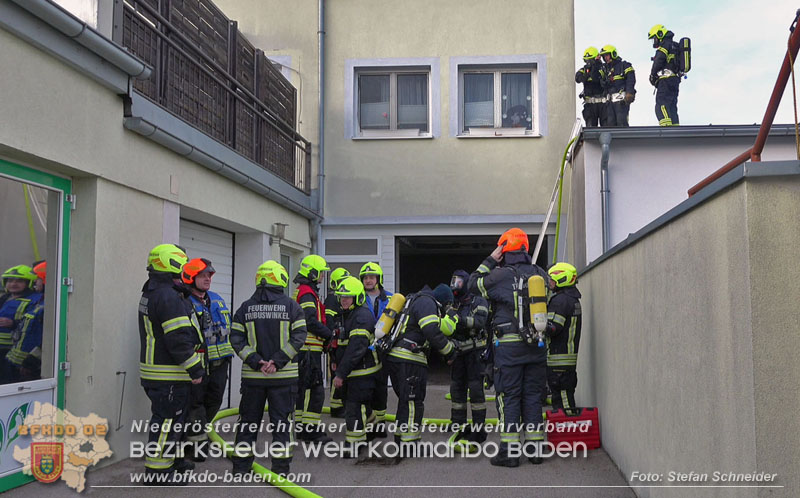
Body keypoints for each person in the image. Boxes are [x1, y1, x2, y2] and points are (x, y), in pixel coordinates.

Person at [468, 228, 549, 467]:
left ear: (504, 249)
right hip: (537, 345)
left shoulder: (499, 276)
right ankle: (535, 450)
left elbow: (473, 284)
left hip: (509, 348)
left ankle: (510, 452)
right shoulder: (540, 274)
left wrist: (490, 260)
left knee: (509, 396)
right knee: (533, 397)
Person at [230, 260, 306, 476]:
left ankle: (240, 468)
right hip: (283, 378)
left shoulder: (245, 307)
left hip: (253, 378)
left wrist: (255, 361)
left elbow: (235, 338)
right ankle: (281, 470)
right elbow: (299, 337)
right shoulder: (292, 307)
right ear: (280, 279)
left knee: (248, 423)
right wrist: (278, 361)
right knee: (282, 424)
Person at [138, 244, 205, 482]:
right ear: (172, 264)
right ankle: (158, 471)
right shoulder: (168, 296)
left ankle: (172, 459)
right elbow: (177, 338)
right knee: (167, 421)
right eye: (182, 263)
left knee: (175, 419)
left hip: (158, 372)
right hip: (168, 373)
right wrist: (195, 368)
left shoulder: (154, 291)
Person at [384, 283, 456, 455]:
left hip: (397, 357)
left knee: (405, 400)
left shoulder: (413, 299)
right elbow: (431, 329)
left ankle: (401, 438)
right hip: (410, 358)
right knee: (413, 401)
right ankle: (409, 444)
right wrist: (449, 351)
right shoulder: (427, 302)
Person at [181, 258, 234, 461]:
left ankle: (199, 435)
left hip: (220, 363)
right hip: (198, 365)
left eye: (209, 276)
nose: (207, 279)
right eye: (203, 276)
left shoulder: (217, 298)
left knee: (215, 400)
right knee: (196, 405)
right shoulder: (184, 302)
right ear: (191, 278)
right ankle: (195, 447)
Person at [330, 277, 381, 458]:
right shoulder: (344, 314)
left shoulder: (361, 316)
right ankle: (373, 426)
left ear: (357, 298)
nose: (344, 300)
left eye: (348, 297)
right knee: (358, 406)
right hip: (352, 370)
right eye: (342, 296)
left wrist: (340, 374)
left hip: (362, 371)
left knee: (354, 407)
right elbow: (340, 343)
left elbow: (355, 349)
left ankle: (354, 444)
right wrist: (334, 361)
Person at [292, 254, 333, 443]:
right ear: (313, 272)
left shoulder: (303, 290)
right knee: (314, 391)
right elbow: (309, 321)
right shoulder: (307, 293)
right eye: (321, 273)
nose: (323, 277)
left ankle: (302, 428)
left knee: (303, 391)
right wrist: (329, 334)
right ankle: (310, 430)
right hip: (309, 349)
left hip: (304, 350)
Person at [447, 270, 490, 443]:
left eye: (458, 282)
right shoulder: (452, 303)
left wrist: (459, 319)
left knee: (476, 391)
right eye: (453, 281)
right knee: (457, 390)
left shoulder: (478, 301)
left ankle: (479, 427)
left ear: (465, 283)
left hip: (475, 353)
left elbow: (480, 321)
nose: (455, 285)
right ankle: (458, 424)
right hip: (458, 353)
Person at [359, 262, 393, 436]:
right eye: (365, 278)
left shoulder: (390, 299)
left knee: (381, 387)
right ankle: (369, 422)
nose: (368, 280)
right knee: (364, 387)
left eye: (372, 277)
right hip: (363, 349)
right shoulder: (358, 298)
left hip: (383, 350)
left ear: (378, 279)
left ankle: (379, 424)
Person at [545, 263, 583, 411]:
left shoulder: (560, 301)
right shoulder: (572, 299)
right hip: (567, 362)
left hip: (558, 362)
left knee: (563, 405)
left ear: (562, 280)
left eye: (552, 280)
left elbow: (554, 328)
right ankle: (566, 429)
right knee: (566, 398)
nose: (549, 283)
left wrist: (538, 324)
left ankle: (568, 430)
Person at [5, 261, 46, 382]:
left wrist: (31, 362)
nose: (35, 282)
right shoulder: (41, 302)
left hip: (30, 366)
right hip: (16, 363)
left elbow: (46, 338)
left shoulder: (46, 304)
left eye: (38, 279)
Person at [324, 267, 351, 418]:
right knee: (337, 373)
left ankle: (338, 405)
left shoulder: (341, 297)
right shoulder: (333, 299)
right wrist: (331, 339)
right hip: (335, 343)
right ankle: (336, 407)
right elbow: (329, 322)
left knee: (340, 372)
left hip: (340, 342)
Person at [648, 24, 681, 126]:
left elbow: (659, 60)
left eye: (655, 38)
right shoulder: (675, 45)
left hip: (665, 80)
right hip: (675, 80)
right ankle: (675, 127)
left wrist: (653, 75)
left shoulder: (665, 45)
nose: (655, 41)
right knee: (671, 106)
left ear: (660, 34)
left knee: (661, 104)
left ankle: (666, 127)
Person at [599, 45, 636, 127]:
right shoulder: (605, 69)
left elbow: (631, 79)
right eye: (604, 56)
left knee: (621, 122)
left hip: (621, 102)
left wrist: (630, 92)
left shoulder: (624, 66)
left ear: (613, 54)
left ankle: (624, 139)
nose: (606, 58)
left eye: (607, 55)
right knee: (610, 125)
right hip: (609, 103)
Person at [575, 46, 608, 127]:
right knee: (591, 129)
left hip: (603, 104)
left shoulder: (603, 67)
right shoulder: (584, 69)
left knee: (606, 128)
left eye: (590, 60)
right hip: (590, 105)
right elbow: (578, 78)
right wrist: (586, 73)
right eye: (586, 60)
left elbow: (596, 78)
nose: (588, 62)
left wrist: (595, 66)